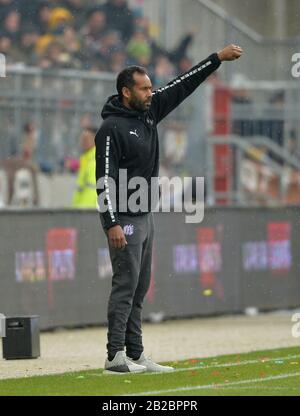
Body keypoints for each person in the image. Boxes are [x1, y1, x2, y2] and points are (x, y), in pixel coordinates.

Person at [95, 44, 243, 374]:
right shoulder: (111, 129)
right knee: (125, 284)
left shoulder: (148, 112)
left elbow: (183, 84)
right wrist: (111, 223)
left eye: (150, 87)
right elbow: (103, 179)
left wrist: (215, 58)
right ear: (126, 92)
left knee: (139, 286)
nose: (151, 93)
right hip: (125, 218)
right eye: (144, 88)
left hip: (145, 215)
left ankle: (135, 353)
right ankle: (114, 355)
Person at [72, 127, 97, 208]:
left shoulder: (95, 160)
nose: (83, 142)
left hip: (87, 212)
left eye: (86, 139)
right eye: (82, 139)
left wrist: (83, 210)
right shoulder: (86, 159)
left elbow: (93, 191)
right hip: (81, 211)